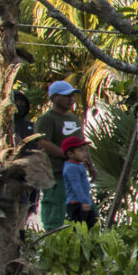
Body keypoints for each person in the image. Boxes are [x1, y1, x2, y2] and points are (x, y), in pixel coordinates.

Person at [34, 81, 84, 231]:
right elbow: (42, 142)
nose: (71, 99)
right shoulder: (47, 119)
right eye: (66, 96)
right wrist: (66, 154)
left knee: (84, 211)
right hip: (55, 173)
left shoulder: (74, 119)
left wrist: (88, 162)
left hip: (76, 173)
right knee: (55, 210)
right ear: (54, 98)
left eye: (72, 96)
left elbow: (81, 143)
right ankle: (51, 239)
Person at [61, 137, 98, 227]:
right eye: (81, 151)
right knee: (80, 227)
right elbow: (76, 185)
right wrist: (84, 202)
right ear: (70, 154)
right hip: (77, 203)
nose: (84, 154)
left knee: (92, 225)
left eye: (85, 151)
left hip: (84, 201)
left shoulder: (78, 165)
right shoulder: (71, 168)